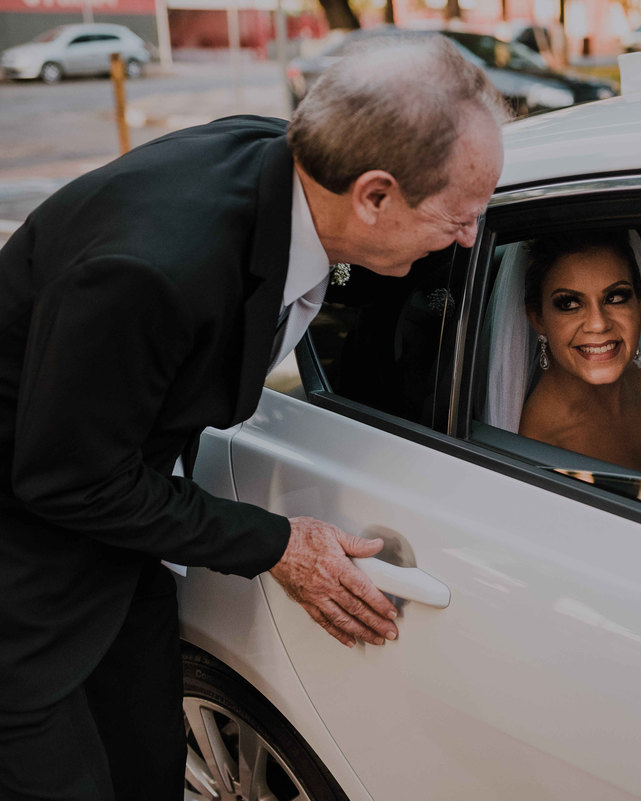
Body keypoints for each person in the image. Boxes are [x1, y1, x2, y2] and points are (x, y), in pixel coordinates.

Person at [0, 37, 507, 801]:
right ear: (373, 196)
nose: (471, 237)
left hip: (117, 550)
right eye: (461, 216)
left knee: (149, 769)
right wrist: (278, 545)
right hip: (22, 583)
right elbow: (67, 479)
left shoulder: (284, 171)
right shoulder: (151, 273)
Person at [509, 231, 641, 480]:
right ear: (538, 319)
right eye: (570, 304)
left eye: (615, 298)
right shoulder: (539, 449)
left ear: (640, 303)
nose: (598, 324)